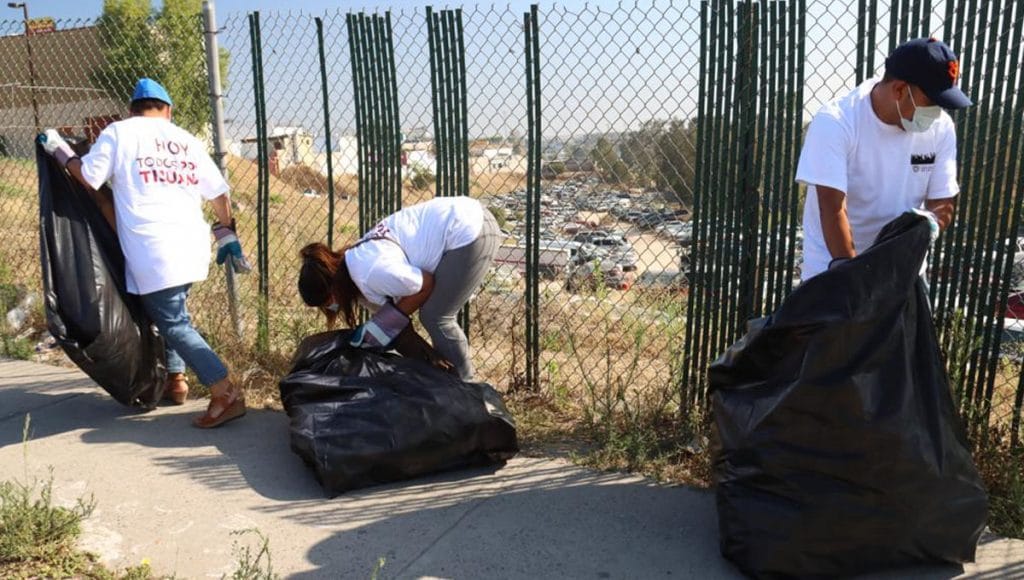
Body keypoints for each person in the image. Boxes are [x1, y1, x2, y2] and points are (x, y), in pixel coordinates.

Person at [39, 78, 249, 428]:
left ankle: (224, 390)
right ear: (167, 110)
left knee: (172, 322)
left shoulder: (119, 132)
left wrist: (60, 151)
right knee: (174, 313)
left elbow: (89, 178)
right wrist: (226, 230)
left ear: (132, 109)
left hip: (154, 250)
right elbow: (220, 195)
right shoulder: (186, 139)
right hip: (192, 246)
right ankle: (176, 381)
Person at [796, 38, 973, 281]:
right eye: (931, 102)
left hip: (902, 273)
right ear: (900, 90)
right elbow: (833, 207)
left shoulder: (941, 128)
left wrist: (927, 227)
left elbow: (943, 199)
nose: (937, 113)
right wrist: (852, 275)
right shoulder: (836, 121)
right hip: (834, 269)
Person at [298, 196, 501, 381]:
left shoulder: (369, 271)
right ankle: (450, 387)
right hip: (465, 222)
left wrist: (387, 321)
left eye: (328, 304)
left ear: (332, 291)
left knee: (436, 317)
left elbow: (424, 285)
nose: (333, 308)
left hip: (469, 229)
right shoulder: (354, 271)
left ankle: (466, 394)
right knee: (424, 317)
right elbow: (397, 328)